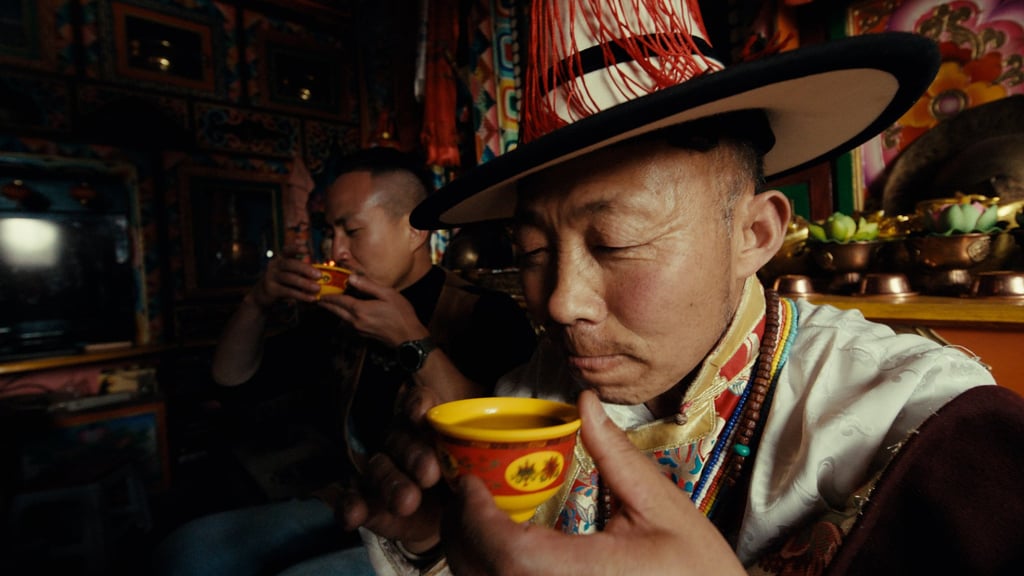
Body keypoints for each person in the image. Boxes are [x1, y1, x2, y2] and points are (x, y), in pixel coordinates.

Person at [334, 2, 1024, 575]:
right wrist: (427, 540)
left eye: (615, 243)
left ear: (754, 235)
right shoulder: (524, 401)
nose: (558, 302)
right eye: (533, 251)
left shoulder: (912, 421)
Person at [153, 147, 537, 575]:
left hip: (442, 526)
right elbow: (231, 382)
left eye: (352, 230)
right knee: (187, 551)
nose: (336, 249)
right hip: (350, 498)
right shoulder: (338, 311)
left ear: (416, 231)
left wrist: (411, 338)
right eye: (329, 230)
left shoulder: (484, 312)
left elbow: (500, 447)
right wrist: (257, 301)